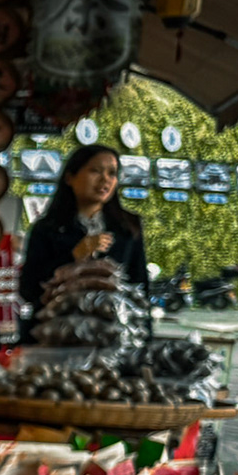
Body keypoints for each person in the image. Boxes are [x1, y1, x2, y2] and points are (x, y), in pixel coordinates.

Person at [18, 144, 149, 339]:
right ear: (70, 178)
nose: (105, 179)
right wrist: (74, 256)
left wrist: (144, 339)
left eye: (112, 173)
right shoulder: (48, 228)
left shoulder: (128, 228)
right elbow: (29, 289)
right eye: (95, 171)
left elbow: (140, 287)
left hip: (114, 334)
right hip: (55, 335)